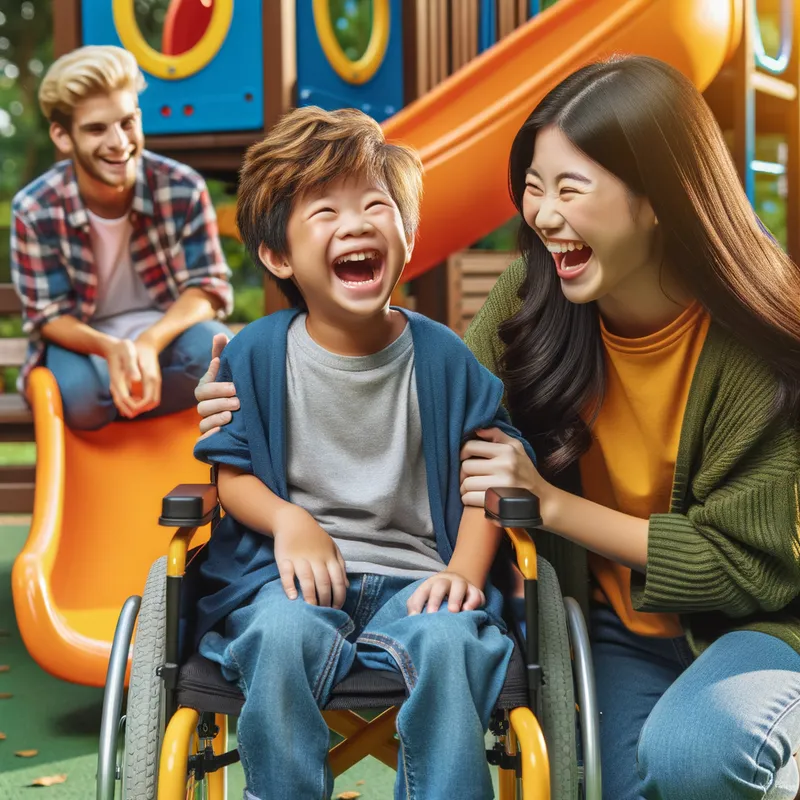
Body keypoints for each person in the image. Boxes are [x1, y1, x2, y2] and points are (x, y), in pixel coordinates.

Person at [196, 56, 800, 800]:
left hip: (757, 627)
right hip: (617, 631)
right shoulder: (535, 297)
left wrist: (547, 507)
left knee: (695, 760)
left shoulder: (759, 350)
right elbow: (457, 422)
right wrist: (239, 397)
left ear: (657, 199)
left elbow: (747, 568)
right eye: (535, 188)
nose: (543, 216)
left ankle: (771, 746)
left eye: (570, 189)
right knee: (627, 779)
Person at [192, 105, 537, 800]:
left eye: (376, 205)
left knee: (448, 642)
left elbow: (488, 472)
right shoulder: (257, 354)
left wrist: (467, 571)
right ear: (278, 255)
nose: (356, 224)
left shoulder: (442, 356)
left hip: (420, 577)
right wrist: (290, 522)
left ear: (406, 234)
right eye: (325, 212)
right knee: (279, 636)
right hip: (288, 579)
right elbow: (231, 477)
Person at [10, 45, 233, 430]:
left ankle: (147, 423)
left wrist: (149, 341)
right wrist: (110, 349)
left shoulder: (182, 187)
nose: (119, 142)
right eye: (97, 128)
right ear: (62, 136)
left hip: (165, 334)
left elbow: (208, 287)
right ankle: (123, 416)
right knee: (81, 399)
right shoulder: (34, 209)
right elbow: (49, 316)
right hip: (84, 341)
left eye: (127, 122)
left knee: (219, 361)